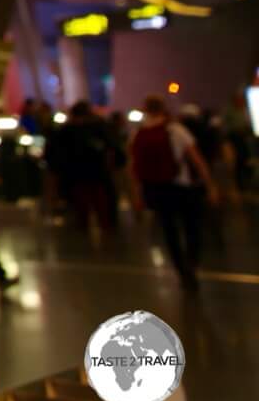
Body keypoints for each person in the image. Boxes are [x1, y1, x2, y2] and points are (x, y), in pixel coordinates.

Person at [129, 95, 217, 290]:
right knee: (191, 226)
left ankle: (181, 269)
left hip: (157, 189)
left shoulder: (139, 134)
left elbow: (134, 168)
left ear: (145, 109)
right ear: (163, 108)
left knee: (169, 230)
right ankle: (191, 263)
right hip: (182, 186)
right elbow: (196, 159)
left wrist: (136, 195)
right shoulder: (175, 129)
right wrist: (210, 185)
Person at [48, 101, 119, 237]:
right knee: (96, 204)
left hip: (80, 174)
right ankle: (103, 229)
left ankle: (91, 229)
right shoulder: (96, 128)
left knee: (85, 205)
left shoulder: (68, 131)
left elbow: (56, 153)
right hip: (93, 173)